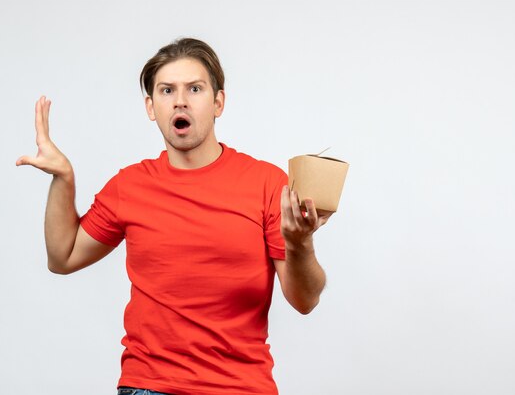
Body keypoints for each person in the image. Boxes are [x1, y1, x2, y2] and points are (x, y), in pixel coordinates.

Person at [16, 38, 330, 395]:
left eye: (194, 88)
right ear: (151, 107)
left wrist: (300, 241)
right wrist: (64, 178)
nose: (180, 100)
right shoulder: (130, 185)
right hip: (149, 386)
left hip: (242, 388)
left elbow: (305, 300)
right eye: (167, 90)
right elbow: (63, 257)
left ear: (218, 102)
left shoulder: (267, 183)